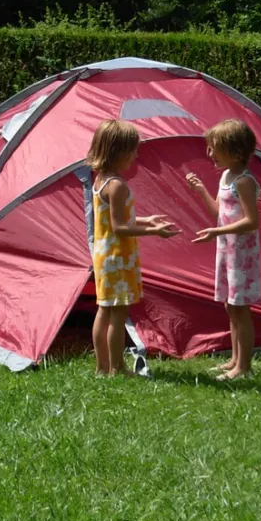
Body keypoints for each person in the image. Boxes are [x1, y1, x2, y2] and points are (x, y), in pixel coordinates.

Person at [87, 120, 179, 376]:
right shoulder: (117, 185)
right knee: (118, 314)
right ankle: (117, 367)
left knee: (104, 310)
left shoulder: (101, 181)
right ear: (119, 152)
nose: (136, 156)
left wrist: (146, 220)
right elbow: (120, 227)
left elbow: (113, 221)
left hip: (105, 255)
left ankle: (101, 367)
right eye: (132, 151)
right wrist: (154, 231)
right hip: (118, 257)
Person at [187, 119, 261, 380]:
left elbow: (252, 221)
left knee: (240, 308)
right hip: (227, 250)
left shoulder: (244, 181)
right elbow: (219, 211)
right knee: (231, 306)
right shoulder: (226, 176)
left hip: (241, 254)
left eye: (215, 148)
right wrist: (201, 191)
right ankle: (234, 359)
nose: (210, 154)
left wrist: (217, 232)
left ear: (238, 152)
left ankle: (245, 367)